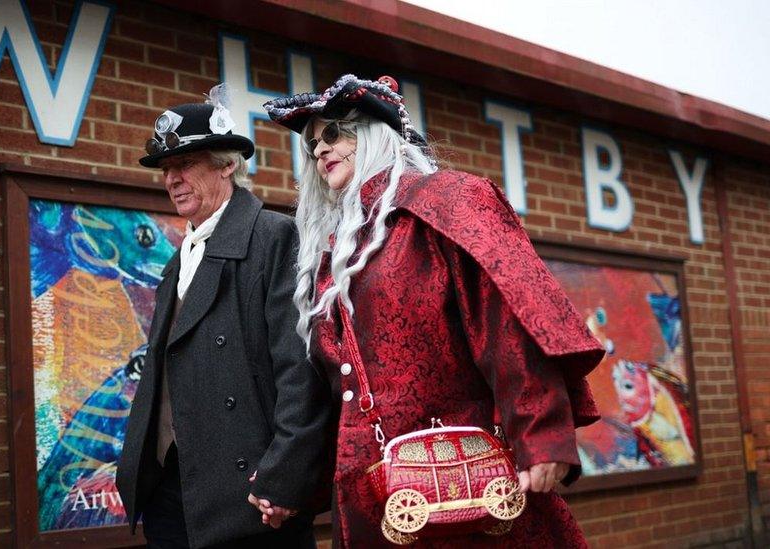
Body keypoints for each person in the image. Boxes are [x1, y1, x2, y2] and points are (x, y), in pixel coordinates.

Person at [261, 74, 605, 547]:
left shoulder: (446, 200)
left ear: (376, 133)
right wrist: (291, 480)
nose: (320, 149)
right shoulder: (331, 251)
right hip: (371, 501)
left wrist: (541, 433)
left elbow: (504, 319)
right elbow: (329, 385)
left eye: (335, 132)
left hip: (469, 493)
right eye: (312, 143)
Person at [116, 85, 331, 549]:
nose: (172, 179)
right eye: (166, 169)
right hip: (173, 492)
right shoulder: (179, 259)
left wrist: (283, 478)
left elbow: (302, 370)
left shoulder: (275, 237)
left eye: (185, 164)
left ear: (228, 164)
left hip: (251, 501)